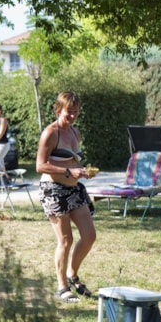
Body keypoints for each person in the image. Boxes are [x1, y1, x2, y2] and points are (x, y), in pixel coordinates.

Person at [36, 91, 96, 303]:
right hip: (53, 190)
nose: (72, 116)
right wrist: (69, 172)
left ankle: (72, 274)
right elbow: (40, 165)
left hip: (73, 190)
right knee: (65, 240)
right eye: (68, 112)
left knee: (89, 236)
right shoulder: (51, 133)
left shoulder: (75, 133)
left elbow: (72, 161)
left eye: (76, 112)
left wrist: (83, 171)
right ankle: (62, 287)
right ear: (58, 109)